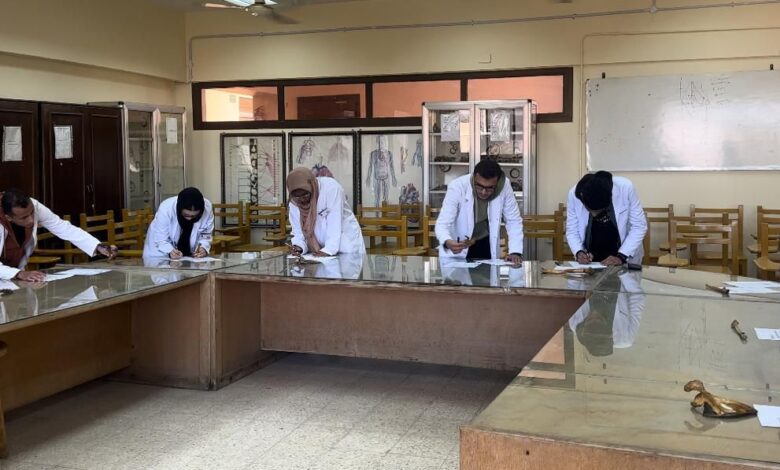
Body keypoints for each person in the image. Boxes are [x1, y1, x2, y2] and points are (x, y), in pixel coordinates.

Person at [0, 189, 117, 281]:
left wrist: (98, 246)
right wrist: (19, 274)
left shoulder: (33, 206)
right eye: (24, 218)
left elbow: (62, 227)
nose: (31, 220)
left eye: (32, 213)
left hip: (15, 272)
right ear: (8, 217)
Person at [434, 160, 523, 264]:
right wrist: (447, 241)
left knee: (487, 273)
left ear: (498, 182)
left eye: (490, 188)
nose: (484, 192)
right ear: (474, 178)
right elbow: (442, 223)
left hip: (485, 240)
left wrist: (515, 252)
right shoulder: (457, 186)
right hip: (459, 245)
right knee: (459, 273)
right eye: (479, 186)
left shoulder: (504, 185)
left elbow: (513, 220)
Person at [566, 171, 647, 266]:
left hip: (625, 253)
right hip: (592, 258)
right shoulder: (574, 194)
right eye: (590, 210)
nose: (594, 215)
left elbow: (639, 226)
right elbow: (572, 230)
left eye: (598, 211)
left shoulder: (625, 188)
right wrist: (579, 252)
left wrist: (622, 256)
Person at [286, 167, 365, 256]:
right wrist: (298, 247)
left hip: (344, 242)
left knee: (348, 264)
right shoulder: (294, 202)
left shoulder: (331, 189)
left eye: (305, 195)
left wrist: (329, 250)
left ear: (312, 186)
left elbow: (334, 222)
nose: (302, 200)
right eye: (297, 197)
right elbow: (298, 231)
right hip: (318, 248)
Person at [143, 187, 214, 259]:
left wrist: (203, 248)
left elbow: (206, 234)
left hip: (190, 254)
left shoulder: (207, 208)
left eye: (194, 216)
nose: (189, 219)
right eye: (186, 215)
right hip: (158, 252)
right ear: (179, 208)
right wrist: (170, 250)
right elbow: (161, 239)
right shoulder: (166, 208)